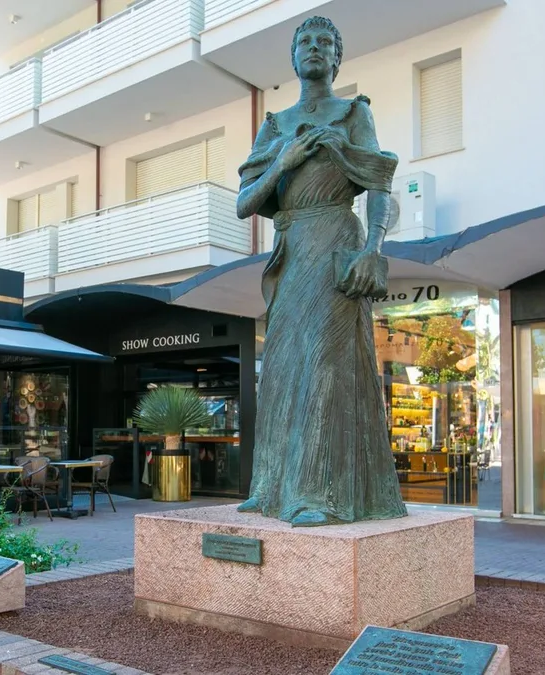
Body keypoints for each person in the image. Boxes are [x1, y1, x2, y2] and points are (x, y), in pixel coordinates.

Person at [235, 16, 406, 526]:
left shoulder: (354, 112)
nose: (314, 48)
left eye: (325, 42)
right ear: (293, 57)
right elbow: (245, 204)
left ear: (336, 57)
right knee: (282, 367)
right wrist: (283, 162)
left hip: (336, 243)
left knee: (324, 365)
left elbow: (379, 184)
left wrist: (373, 247)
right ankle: (269, 488)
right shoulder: (275, 126)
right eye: (305, 42)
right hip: (291, 252)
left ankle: (317, 495)